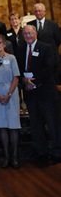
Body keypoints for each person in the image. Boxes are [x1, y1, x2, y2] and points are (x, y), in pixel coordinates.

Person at [17, 25, 61, 164]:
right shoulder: (21, 49)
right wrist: (24, 81)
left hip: (45, 91)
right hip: (30, 93)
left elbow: (49, 68)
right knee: (35, 123)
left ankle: (57, 152)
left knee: (52, 123)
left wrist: (34, 82)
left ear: (35, 33)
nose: (28, 36)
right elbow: (19, 68)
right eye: (25, 33)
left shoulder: (46, 47)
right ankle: (40, 151)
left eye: (30, 33)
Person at [0, 34, 21, 169]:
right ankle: (6, 156)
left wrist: (9, 94)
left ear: (4, 44)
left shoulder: (11, 58)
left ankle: (15, 156)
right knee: (2, 126)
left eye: (0, 43)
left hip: (10, 92)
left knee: (13, 125)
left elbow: (16, 78)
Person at [28, 3, 61, 71]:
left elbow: (58, 39)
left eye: (40, 11)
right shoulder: (30, 24)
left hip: (51, 55)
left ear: (44, 12)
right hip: (36, 55)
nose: (38, 13)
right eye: (36, 11)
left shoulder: (53, 24)